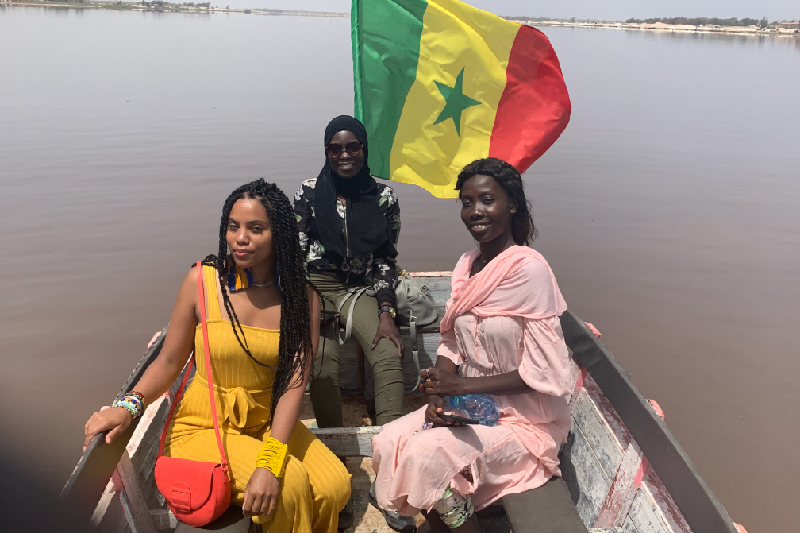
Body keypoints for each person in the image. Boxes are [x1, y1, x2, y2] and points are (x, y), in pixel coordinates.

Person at [84, 179, 351, 533]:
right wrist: (129, 405)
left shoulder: (302, 300)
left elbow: (293, 385)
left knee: (335, 486)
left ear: (280, 236)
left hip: (265, 420)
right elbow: (168, 360)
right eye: (233, 227)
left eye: (256, 229)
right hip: (202, 425)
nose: (241, 238)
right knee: (290, 489)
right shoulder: (201, 282)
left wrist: (269, 461)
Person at [370, 158, 574, 533]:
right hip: (474, 408)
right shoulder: (466, 266)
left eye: (486, 200)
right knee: (387, 441)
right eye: (467, 202)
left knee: (425, 455)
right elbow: (451, 341)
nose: (475, 212)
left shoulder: (530, 270)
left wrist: (461, 386)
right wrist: (438, 400)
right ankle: (449, 518)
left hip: (528, 422)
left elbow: (545, 373)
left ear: (511, 204)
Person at [293, 115, 404, 428]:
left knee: (388, 354)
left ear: (364, 149)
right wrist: (302, 309)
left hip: (360, 289)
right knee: (321, 367)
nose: (344, 155)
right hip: (316, 288)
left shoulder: (384, 198)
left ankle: (392, 443)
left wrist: (386, 311)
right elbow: (296, 254)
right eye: (335, 149)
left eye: (353, 147)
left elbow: (385, 259)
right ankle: (334, 442)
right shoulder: (310, 192)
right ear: (327, 152)